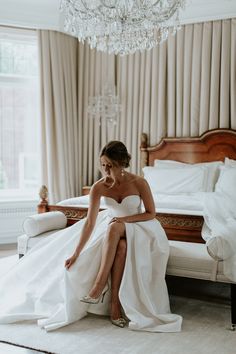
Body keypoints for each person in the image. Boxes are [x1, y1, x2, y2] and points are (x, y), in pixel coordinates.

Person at [0, 141, 182, 332]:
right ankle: (114, 307)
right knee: (120, 248)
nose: (105, 170)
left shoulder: (139, 183)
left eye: (110, 165)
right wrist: (76, 253)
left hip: (140, 227)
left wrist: (124, 220)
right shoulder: (99, 187)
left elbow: (150, 213)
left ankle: (98, 287)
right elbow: (89, 223)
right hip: (113, 230)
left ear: (121, 163)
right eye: (103, 165)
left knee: (114, 227)